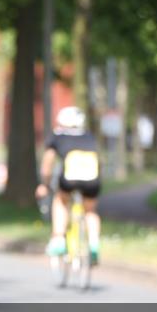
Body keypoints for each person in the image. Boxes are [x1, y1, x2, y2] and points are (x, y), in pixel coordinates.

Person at [35, 106, 102, 265]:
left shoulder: (58, 136)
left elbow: (48, 163)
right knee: (90, 210)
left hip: (69, 179)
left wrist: (44, 183)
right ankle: (94, 244)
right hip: (92, 179)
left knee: (60, 200)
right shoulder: (89, 136)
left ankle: (58, 239)